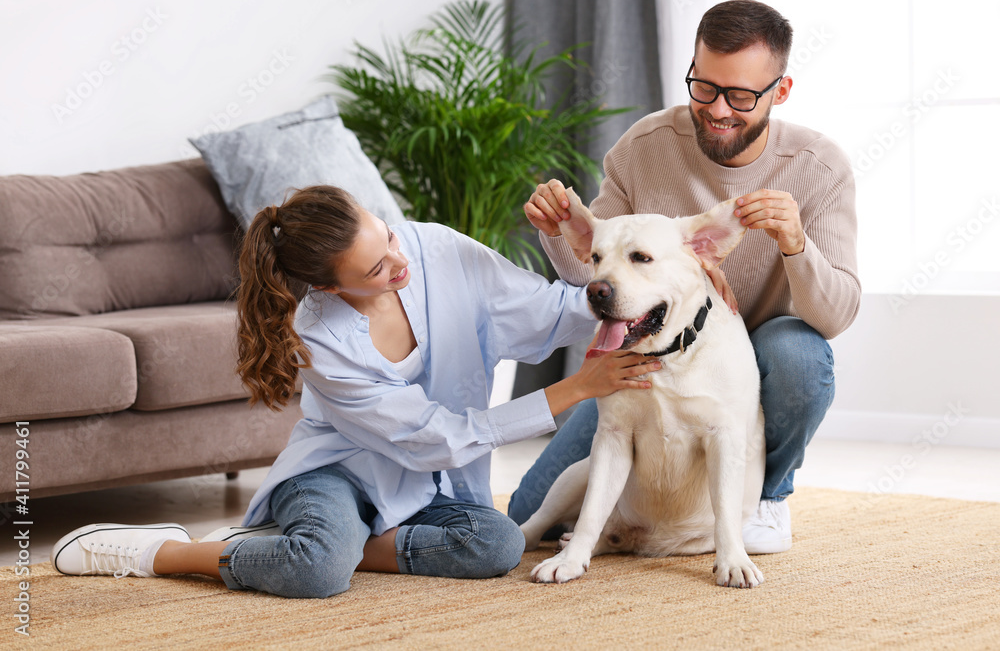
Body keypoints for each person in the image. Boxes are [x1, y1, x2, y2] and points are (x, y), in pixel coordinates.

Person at [51, 185, 663, 598]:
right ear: (329, 287)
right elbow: (435, 438)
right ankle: (167, 552)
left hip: (427, 486)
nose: (400, 262)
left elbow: (551, 311)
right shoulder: (319, 338)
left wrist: (630, 278)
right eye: (374, 269)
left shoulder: (435, 248)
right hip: (340, 475)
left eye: (387, 239)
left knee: (497, 544)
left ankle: (322, 540)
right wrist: (576, 389)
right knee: (317, 572)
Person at [509, 0, 860, 554]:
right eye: (704, 87)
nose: (718, 109)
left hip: (753, 355)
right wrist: (557, 228)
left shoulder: (819, 167)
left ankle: (765, 498)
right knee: (527, 515)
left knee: (802, 353)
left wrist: (795, 245)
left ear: (781, 91)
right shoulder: (643, 148)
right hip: (654, 347)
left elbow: (836, 315)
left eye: (741, 95)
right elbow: (595, 273)